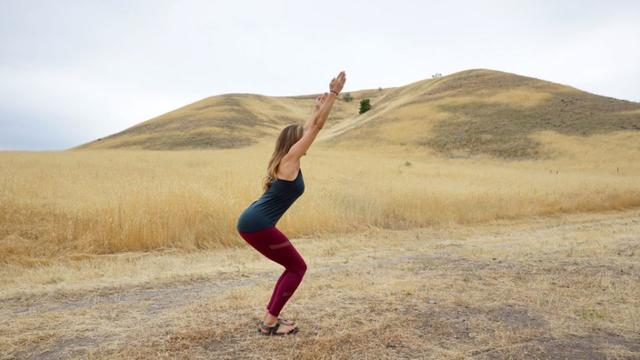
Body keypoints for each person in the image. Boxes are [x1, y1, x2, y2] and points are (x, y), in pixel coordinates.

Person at [236, 70, 347, 336]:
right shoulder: (289, 161)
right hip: (257, 224)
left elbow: (310, 127)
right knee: (298, 267)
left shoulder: (286, 158)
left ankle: (271, 317)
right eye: (301, 137)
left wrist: (316, 109)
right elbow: (316, 129)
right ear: (294, 143)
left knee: (292, 266)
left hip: (253, 222)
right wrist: (333, 95)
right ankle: (271, 321)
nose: (305, 138)